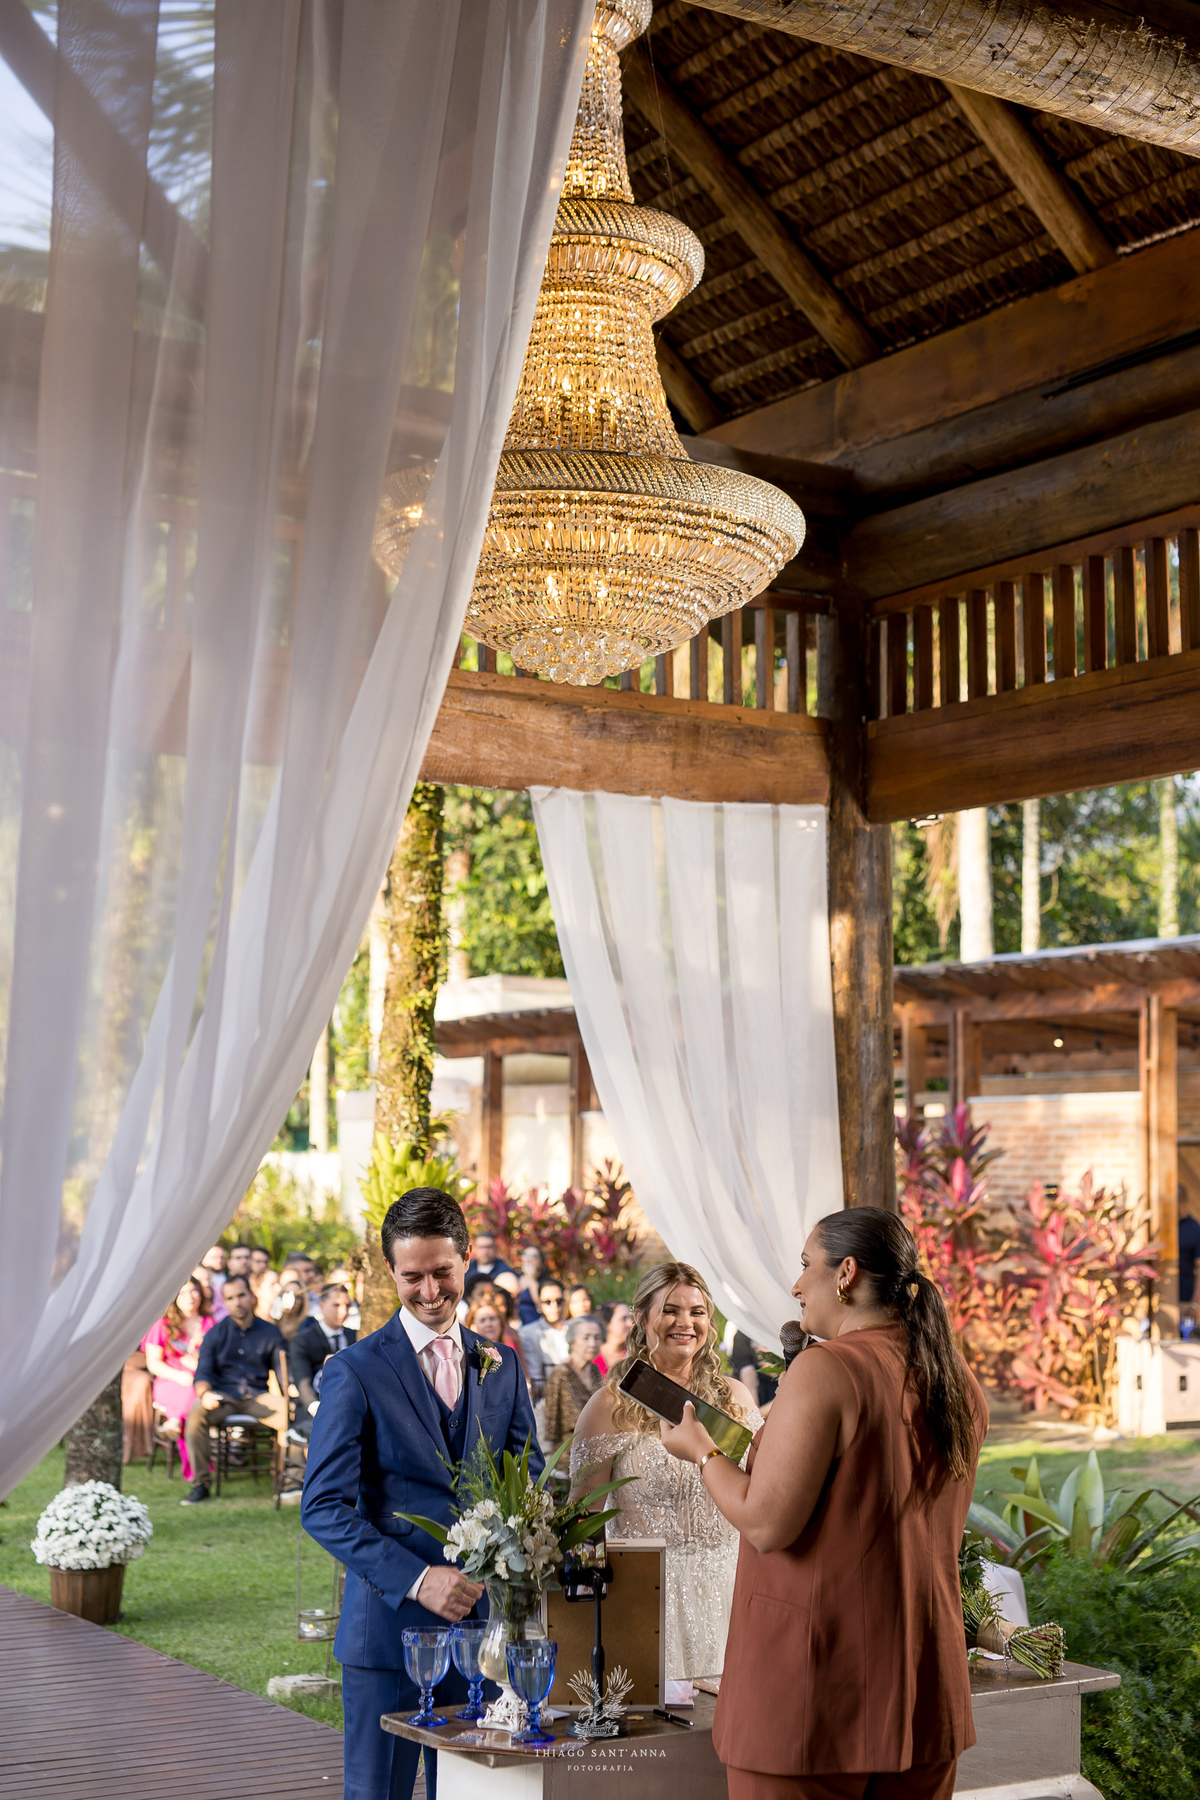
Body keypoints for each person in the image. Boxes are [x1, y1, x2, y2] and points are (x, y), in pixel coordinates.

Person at [660, 1208, 988, 1800]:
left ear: (847, 1273)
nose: (796, 1284)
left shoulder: (827, 1367)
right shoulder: (955, 1377)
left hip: (813, 1691)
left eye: (806, 1264)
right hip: (922, 1688)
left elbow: (765, 1522)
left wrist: (702, 1452)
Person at [302, 1186, 542, 1800]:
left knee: (467, 1793)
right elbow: (322, 1508)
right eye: (412, 1277)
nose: (430, 1291)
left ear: (466, 1258)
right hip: (387, 1636)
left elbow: (529, 1482)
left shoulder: (501, 1363)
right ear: (391, 1271)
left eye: (442, 1272)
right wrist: (418, 1579)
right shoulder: (354, 1371)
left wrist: (519, 1559)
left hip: (481, 1635)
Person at [570, 1262, 759, 1682]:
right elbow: (583, 1517)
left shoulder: (735, 1399)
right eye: (670, 1310)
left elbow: (761, 1491)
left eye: (697, 1312)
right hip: (646, 1602)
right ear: (641, 1318)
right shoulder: (610, 1406)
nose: (685, 1323)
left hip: (732, 1595)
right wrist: (586, 1615)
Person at [180, 1273, 286, 1506]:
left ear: (251, 1296)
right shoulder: (215, 1333)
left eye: (241, 1295)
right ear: (224, 1302)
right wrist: (205, 1394)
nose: (237, 1302)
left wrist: (292, 1394)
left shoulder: (271, 1332)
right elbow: (202, 1373)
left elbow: (283, 1374)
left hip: (258, 1396)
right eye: (230, 1298)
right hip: (223, 1396)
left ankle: (290, 1479)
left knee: (291, 1415)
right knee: (196, 1413)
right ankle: (201, 1484)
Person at [143, 1276, 215, 1482]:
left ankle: (174, 1422)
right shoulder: (163, 1324)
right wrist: (180, 1375)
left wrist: (197, 1363)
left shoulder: (210, 1324)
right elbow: (153, 1363)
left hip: (200, 1379)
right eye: (183, 1293)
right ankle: (197, 1467)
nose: (189, 1297)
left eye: (194, 1291)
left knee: (196, 1392)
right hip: (171, 1380)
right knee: (192, 1395)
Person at [290, 1283, 357, 1424]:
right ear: (321, 1305)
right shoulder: (303, 1340)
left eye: (347, 1305)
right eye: (336, 1305)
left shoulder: (355, 1337)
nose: (343, 1311)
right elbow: (302, 1381)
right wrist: (317, 1409)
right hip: (314, 1409)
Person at [543, 1315, 602, 1453]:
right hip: (568, 1451)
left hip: (597, 1446)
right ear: (572, 1341)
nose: (593, 1343)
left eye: (597, 1337)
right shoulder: (560, 1374)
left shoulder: (594, 1370)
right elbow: (551, 1427)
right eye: (586, 1338)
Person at [519, 1278, 568, 1405]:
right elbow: (535, 1378)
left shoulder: (574, 1329)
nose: (554, 1306)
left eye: (559, 1301)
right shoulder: (528, 1333)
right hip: (545, 1401)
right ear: (539, 1304)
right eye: (548, 1302)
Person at [463, 1231, 514, 1301]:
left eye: (489, 1247)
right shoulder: (465, 1270)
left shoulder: (505, 1271)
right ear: (474, 1248)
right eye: (481, 1247)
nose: (485, 1251)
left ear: (495, 1248)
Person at [594, 1300, 632, 1378]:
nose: (630, 1323)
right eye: (624, 1319)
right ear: (607, 1324)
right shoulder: (592, 1356)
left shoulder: (633, 1353)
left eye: (630, 1318)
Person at [515, 1244, 547, 1325]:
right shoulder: (515, 1279)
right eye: (525, 1256)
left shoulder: (546, 1283)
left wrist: (531, 1279)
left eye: (533, 1256)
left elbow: (541, 1306)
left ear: (541, 1262)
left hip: (536, 1324)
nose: (528, 1260)